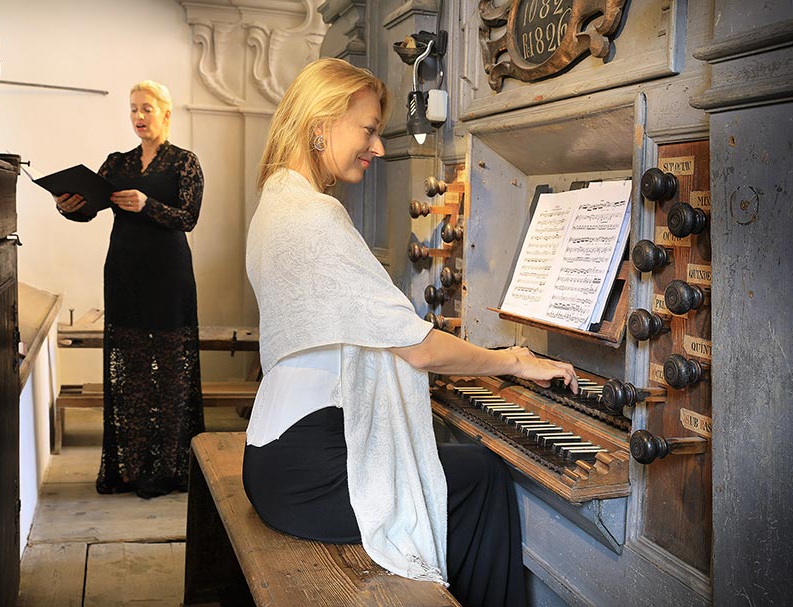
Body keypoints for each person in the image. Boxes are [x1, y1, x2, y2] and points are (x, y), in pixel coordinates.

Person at [243, 58, 578, 607]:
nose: (378, 148)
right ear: (321, 122)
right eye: (370, 130)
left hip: (273, 458)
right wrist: (517, 360)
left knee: (457, 471)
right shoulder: (314, 216)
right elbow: (419, 349)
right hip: (306, 473)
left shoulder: (276, 204)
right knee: (483, 476)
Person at [54, 80, 205, 499]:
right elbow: (88, 208)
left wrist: (147, 205)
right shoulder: (117, 163)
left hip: (170, 277)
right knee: (132, 376)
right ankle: (133, 469)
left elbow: (188, 217)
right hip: (124, 275)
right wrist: (68, 206)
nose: (139, 117)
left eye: (147, 109)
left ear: (166, 114)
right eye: (134, 109)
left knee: (173, 376)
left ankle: (175, 470)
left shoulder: (184, 163)